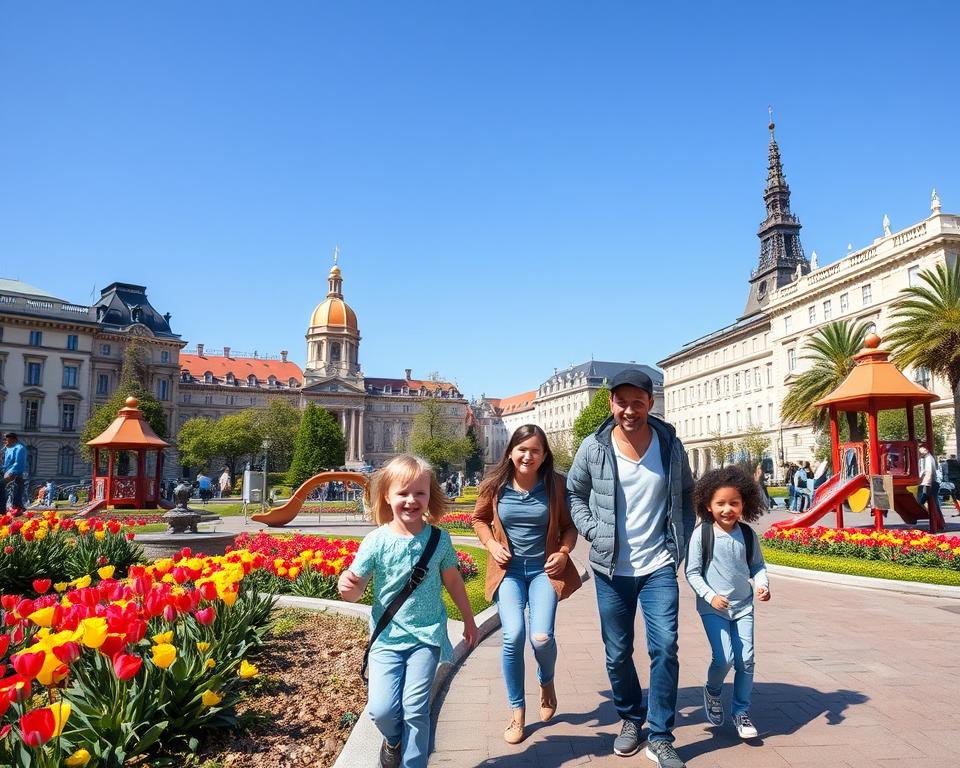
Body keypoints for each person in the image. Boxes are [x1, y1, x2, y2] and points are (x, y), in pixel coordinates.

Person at [567, 369, 695, 768]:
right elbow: (575, 492)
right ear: (611, 403)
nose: (629, 410)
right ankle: (630, 717)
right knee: (618, 652)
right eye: (621, 402)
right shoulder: (594, 447)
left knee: (665, 647)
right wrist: (593, 531)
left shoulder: (670, 444)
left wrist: (681, 542)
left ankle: (660, 736)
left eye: (637, 403)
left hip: (658, 564)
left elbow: (688, 493)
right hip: (610, 569)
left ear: (649, 403)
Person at [337, 454, 478, 768]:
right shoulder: (376, 541)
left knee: (416, 708)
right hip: (386, 638)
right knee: (382, 710)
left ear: (430, 495)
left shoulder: (439, 539)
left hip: (426, 637)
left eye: (420, 493)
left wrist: (469, 619)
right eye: (403, 493)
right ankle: (393, 738)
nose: (412, 500)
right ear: (387, 495)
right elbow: (355, 587)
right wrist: (347, 589)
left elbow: (453, 580)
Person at [472, 424, 581, 744]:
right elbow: (478, 519)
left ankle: (546, 682)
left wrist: (563, 552)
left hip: (543, 572)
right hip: (508, 572)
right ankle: (517, 713)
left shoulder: (556, 485)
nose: (528, 456)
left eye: (535, 450)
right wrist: (491, 545)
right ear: (510, 451)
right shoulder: (494, 484)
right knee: (514, 635)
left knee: (542, 636)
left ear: (544, 454)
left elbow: (569, 527)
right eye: (522, 449)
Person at [684, 466, 770, 741]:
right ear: (708, 505)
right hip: (714, 609)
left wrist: (763, 584)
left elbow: (757, 566)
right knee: (724, 658)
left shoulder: (747, 534)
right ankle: (712, 690)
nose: (727, 509)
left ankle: (741, 711)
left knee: (746, 659)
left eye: (734, 503)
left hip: (744, 606)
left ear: (745, 502)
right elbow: (692, 572)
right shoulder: (702, 534)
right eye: (720, 503)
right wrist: (710, 596)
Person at [2, 432, 27, 515]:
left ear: (12, 439)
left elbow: (19, 463)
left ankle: (17, 510)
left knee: (15, 494)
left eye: (6, 439)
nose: (4, 441)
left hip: (16, 475)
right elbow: (6, 464)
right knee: (9, 494)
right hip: (7, 474)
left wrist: (10, 472)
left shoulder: (20, 448)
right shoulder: (7, 449)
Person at [917, 445, 941, 517]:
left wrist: (925, 483)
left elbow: (929, 472)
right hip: (930, 482)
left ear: (925, 450)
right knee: (933, 501)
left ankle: (937, 516)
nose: (919, 454)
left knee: (929, 500)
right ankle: (937, 516)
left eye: (920, 452)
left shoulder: (928, 459)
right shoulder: (928, 458)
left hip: (928, 483)